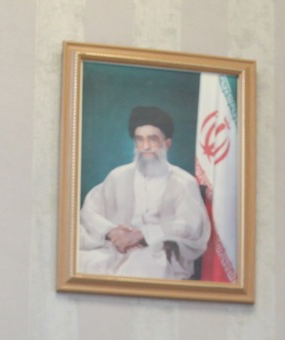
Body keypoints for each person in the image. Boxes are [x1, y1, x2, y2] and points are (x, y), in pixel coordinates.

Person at [77, 105, 211, 279]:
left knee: (140, 264)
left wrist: (142, 235)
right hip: (115, 249)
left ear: (167, 144)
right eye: (139, 140)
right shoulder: (118, 176)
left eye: (152, 139)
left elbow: (190, 225)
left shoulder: (183, 182)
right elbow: (89, 212)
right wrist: (112, 231)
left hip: (157, 252)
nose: (145, 146)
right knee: (77, 261)